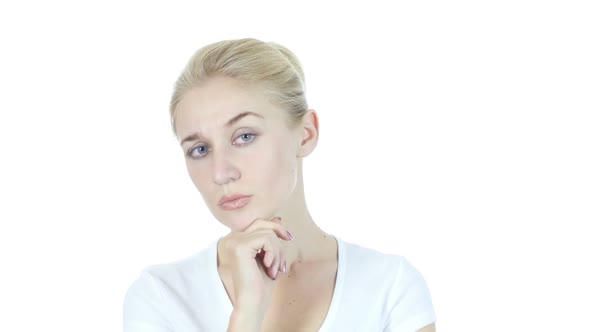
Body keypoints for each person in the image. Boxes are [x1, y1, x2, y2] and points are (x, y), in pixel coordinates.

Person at [123, 38, 436, 332]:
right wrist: (247, 313)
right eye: (199, 150)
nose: (221, 173)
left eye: (244, 136)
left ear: (306, 134)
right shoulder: (161, 298)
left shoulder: (390, 287)